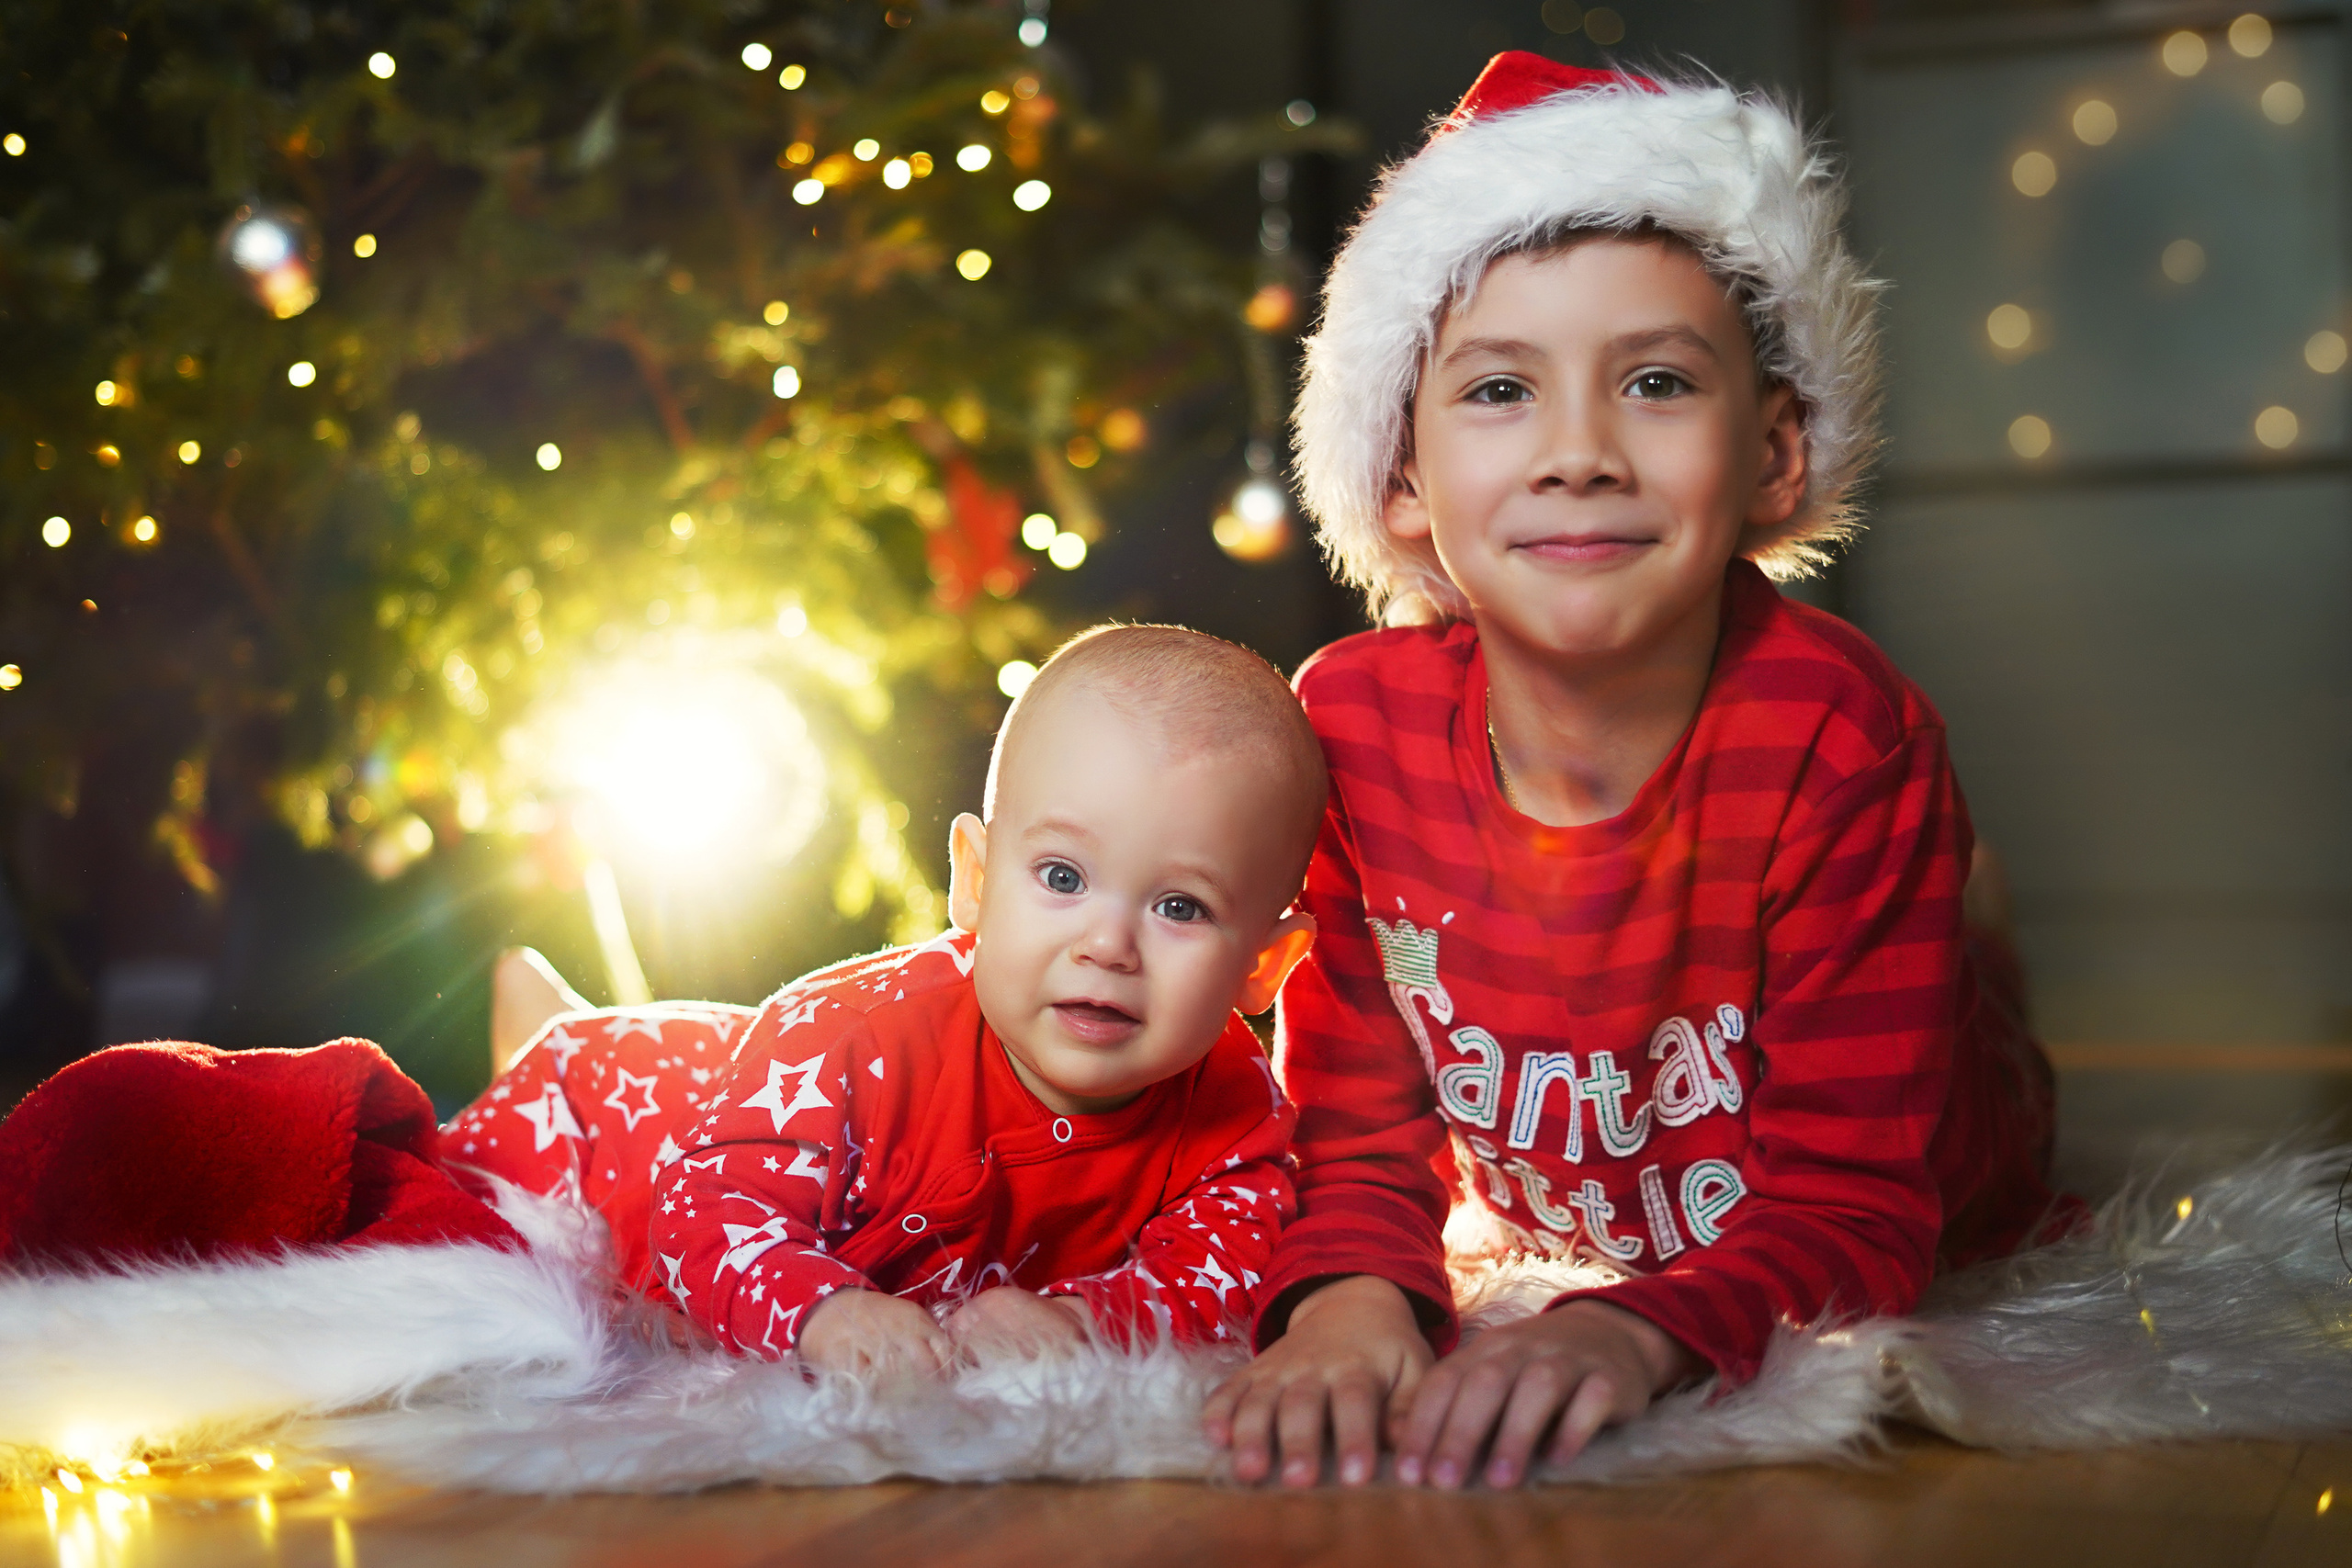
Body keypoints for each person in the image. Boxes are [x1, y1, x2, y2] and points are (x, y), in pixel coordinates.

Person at [1201, 54, 2075, 1489]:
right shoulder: (1351, 727)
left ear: (1776, 453)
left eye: (1656, 382)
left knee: (1968, 1045)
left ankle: (1972, 936)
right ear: (1402, 477)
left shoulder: (1842, 737)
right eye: (1500, 389)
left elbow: (1859, 1208)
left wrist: (1635, 1329)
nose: (1579, 454)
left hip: (1931, 1138)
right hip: (1600, 1173)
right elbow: (1355, 1134)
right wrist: (1352, 1295)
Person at [444, 624, 1328, 1373]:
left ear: (1266, 962)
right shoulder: (849, 1035)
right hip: (619, 1122)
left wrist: (1083, 1320)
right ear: (974, 881)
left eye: (1180, 907)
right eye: (1062, 876)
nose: (1107, 945)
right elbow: (703, 1206)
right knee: (470, 1208)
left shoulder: (1234, 1110)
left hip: (736, 1089)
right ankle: (549, 1027)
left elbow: (1225, 1271)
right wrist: (822, 1313)